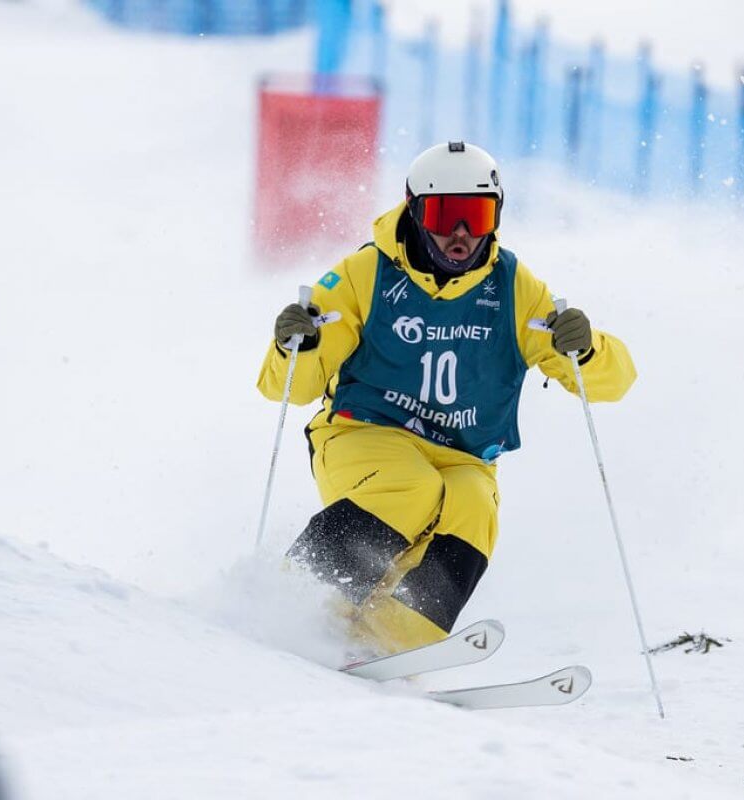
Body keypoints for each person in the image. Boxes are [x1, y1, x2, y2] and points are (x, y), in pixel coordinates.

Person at [257, 141, 636, 656]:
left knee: (474, 510)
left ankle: (384, 645)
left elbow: (611, 384)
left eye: (476, 216)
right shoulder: (363, 276)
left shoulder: (512, 287)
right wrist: (291, 346)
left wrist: (587, 351)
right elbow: (287, 389)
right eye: (444, 215)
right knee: (409, 487)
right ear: (415, 211)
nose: (461, 234)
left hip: (464, 454)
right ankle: (300, 605)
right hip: (364, 434)